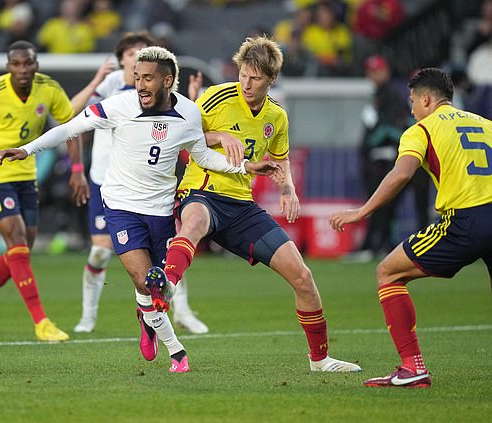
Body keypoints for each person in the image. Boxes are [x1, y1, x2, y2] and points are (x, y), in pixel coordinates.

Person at [0, 46, 280, 372]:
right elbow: (71, 128)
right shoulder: (119, 105)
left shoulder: (188, 113)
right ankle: (177, 352)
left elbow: (201, 156)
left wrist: (245, 167)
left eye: (148, 78)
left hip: (160, 210)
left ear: (168, 80)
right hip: (120, 206)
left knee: (161, 290)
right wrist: (26, 149)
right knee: (147, 281)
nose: (140, 84)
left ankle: (145, 317)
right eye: (136, 77)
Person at [147, 36, 362, 373]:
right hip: (202, 190)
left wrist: (288, 189)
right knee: (194, 223)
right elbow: (180, 134)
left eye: (256, 78)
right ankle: (165, 290)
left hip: (241, 205)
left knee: (303, 277)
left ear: (271, 79)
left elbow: (280, 158)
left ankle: (320, 360)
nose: (246, 83)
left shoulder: (277, 116)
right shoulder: (217, 97)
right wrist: (220, 137)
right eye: (243, 74)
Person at [0, 40, 112, 342]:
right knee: (17, 239)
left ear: (36, 65)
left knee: (20, 252)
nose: (22, 70)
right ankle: (41, 322)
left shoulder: (48, 89)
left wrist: (77, 170)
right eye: (16, 64)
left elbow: (70, 126)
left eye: (28, 63)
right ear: (8, 67)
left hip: (26, 173)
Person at [330, 68, 492, 387]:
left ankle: (412, 367)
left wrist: (363, 211)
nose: (412, 109)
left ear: (427, 99)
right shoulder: (486, 124)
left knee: (388, 272)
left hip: (466, 221)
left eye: (413, 101)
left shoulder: (422, 129)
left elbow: (401, 174)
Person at [72, 31, 210, 335]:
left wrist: (193, 101)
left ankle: (181, 311)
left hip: (149, 186)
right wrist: (96, 81)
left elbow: (187, 128)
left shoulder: (154, 93)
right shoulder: (112, 88)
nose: (138, 56)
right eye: (132, 52)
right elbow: (71, 114)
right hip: (106, 181)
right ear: (121, 59)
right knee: (99, 253)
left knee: (168, 255)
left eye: (143, 52)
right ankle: (88, 316)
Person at [345, 55, 412, 262]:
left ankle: (377, 245)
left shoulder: (392, 94)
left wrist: (376, 136)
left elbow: (393, 129)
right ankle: (379, 245)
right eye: (370, 71)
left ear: (386, 71)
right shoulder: (380, 94)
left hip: (386, 159)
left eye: (377, 70)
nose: (373, 75)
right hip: (376, 159)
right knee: (380, 204)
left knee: (381, 204)